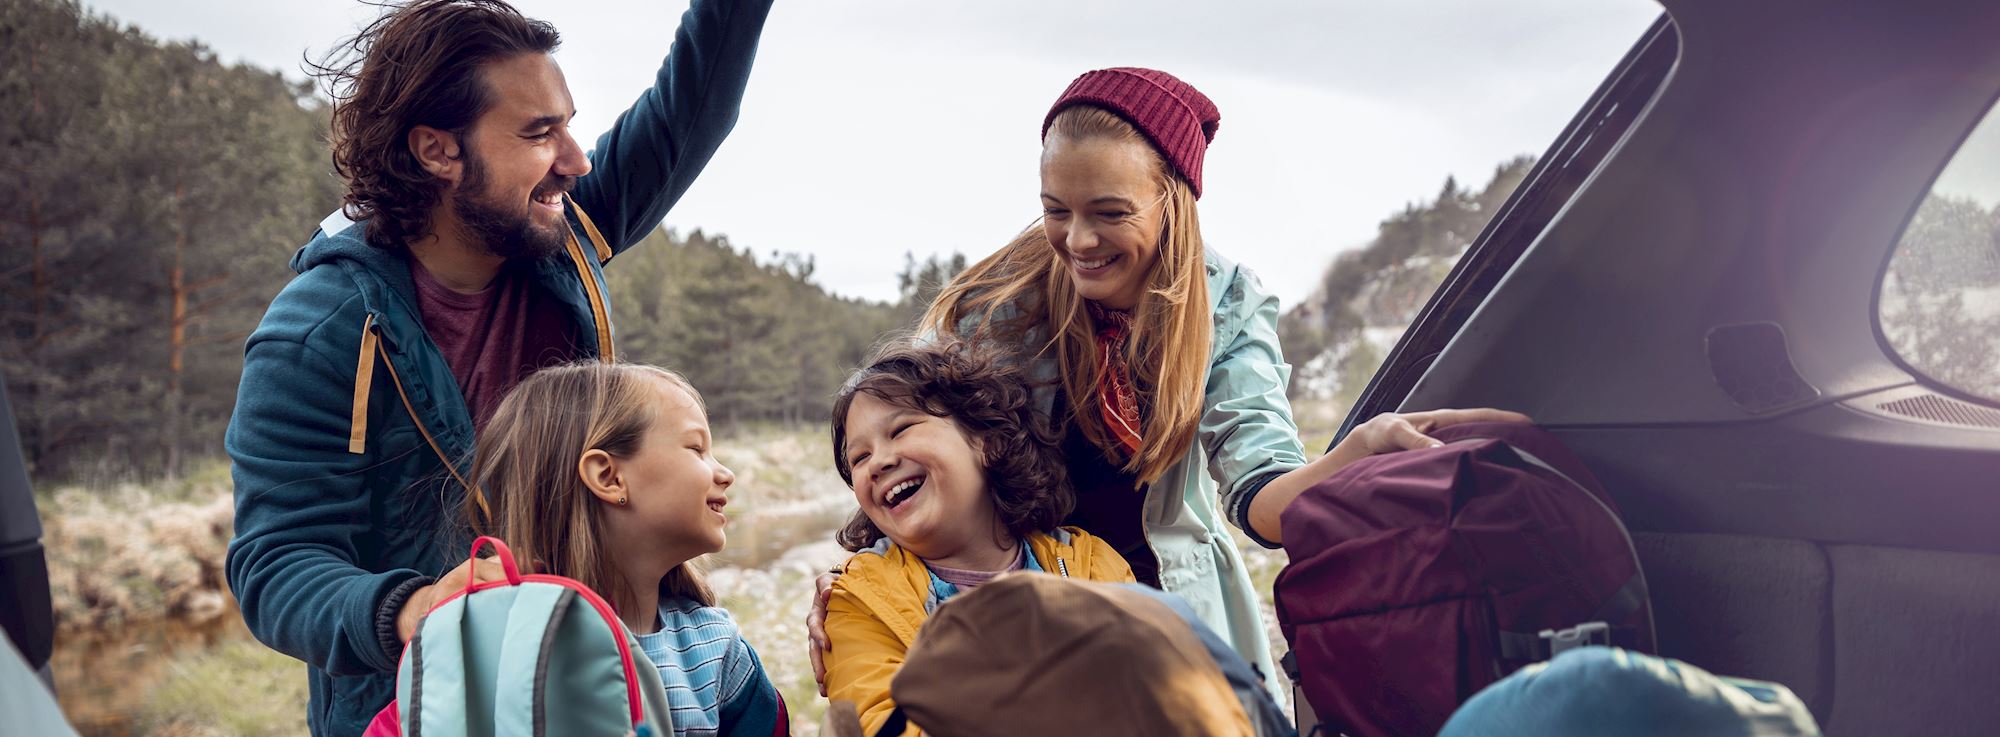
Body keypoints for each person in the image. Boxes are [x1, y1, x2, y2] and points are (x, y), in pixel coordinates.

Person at [806, 67, 1529, 699]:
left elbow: (1263, 498)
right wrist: (857, 593)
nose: (1078, 242)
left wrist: (1351, 458)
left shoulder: (1230, 306)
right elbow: (908, 446)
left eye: (1110, 213)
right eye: (1056, 210)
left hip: (1170, 606)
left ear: (1172, 200)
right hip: (1028, 599)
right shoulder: (997, 306)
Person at [221, 1, 773, 734]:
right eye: (539, 133)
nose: (576, 160)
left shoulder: (560, 231)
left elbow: (692, 111)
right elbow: (275, 564)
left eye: (568, 125)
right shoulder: (316, 334)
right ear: (437, 151)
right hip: (427, 706)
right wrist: (415, 609)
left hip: (591, 682)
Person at [822, 338, 1137, 736]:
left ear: (985, 441)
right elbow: (881, 724)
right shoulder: (859, 603)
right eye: (859, 458)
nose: (880, 462)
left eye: (900, 429)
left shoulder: (1091, 564)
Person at [469, 362, 788, 737]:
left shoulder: (718, 652)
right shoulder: (494, 650)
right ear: (609, 477)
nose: (725, 473)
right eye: (697, 448)